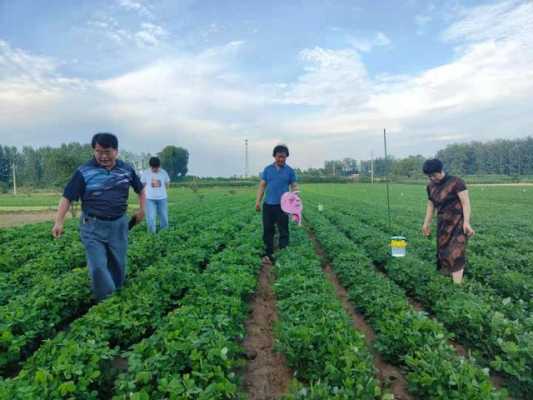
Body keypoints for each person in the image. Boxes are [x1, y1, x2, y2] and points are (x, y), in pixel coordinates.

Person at [52, 133, 145, 301]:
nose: (102, 156)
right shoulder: (84, 171)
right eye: (98, 151)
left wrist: (142, 210)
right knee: (97, 267)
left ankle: (115, 298)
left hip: (118, 224)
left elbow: (141, 190)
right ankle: (107, 302)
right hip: (92, 225)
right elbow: (67, 197)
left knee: (118, 265)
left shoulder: (126, 169)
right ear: (93, 150)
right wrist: (58, 221)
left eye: (107, 152)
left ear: (116, 151)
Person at [421, 159, 475, 284]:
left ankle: (457, 287)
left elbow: (466, 203)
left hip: (458, 223)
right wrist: (426, 223)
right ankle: (446, 281)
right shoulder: (430, 186)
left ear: (440, 171)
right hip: (443, 224)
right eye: (429, 176)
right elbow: (431, 205)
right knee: (443, 252)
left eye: (434, 175)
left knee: (456, 252)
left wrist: (467, 222)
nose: (432, 178)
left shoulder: (457, 182)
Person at [255, 144, 299, 264]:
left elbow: (294, 186)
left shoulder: (290, 171)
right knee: (268, 230)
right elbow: (262, 186)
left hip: (283, 206)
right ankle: (268, 254)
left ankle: (283, 254)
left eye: (284, 157)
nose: (281, 159)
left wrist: (295, 201)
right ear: (274, 156)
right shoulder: (268, 169)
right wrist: (258, 201)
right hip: (268, 205)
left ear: (286, 157)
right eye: (279, 157)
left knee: (283, 230)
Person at [141, 157, 170, 233]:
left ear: (159, 166)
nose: (155, 169)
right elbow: (142, 185)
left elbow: (167, 183)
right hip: (149, 199)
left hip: (162, 198)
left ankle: (164, 233)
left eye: (156, 167)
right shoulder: (146, 173)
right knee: (151, 218)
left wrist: (161, 190)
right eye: (153, 168)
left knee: (164, 217)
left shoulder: (164, 172)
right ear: (150, 166)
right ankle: (151, 236)